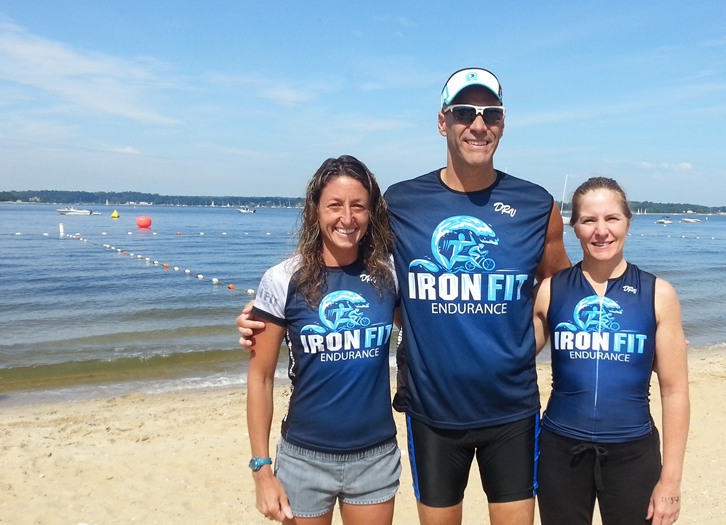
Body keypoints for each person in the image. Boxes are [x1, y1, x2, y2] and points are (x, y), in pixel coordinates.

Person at [239, 68, 570, 525]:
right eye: (463, 113)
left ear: (503, 122)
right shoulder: (400, 203)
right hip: (431, 411)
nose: (478, 124)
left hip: (512, 409)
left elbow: (567, 289)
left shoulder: (537, 205)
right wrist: (269, 312)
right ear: (442, 122)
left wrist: (541, 337)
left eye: (490, 113)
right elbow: (355, 270)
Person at [246, 155, 401, 525]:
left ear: (371, 212)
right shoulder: (283, 279)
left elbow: (432, 320)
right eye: (335, 205)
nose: (347, 219)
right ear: (315, 209)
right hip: (304, 459)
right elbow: (260, 377)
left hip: (375, 458)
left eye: (358, 206)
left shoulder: (390, 273)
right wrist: (261, 469)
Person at [532, 177, 690, 525]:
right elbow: (511, 357)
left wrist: (671, 480)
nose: (601, 231)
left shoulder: (658, 294)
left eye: (612, 218)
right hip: (560, 452)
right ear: (574, 227)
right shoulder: (550, 291)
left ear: (628, 223)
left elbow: (675, 391)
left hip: (634, 453)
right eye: (588, 220)